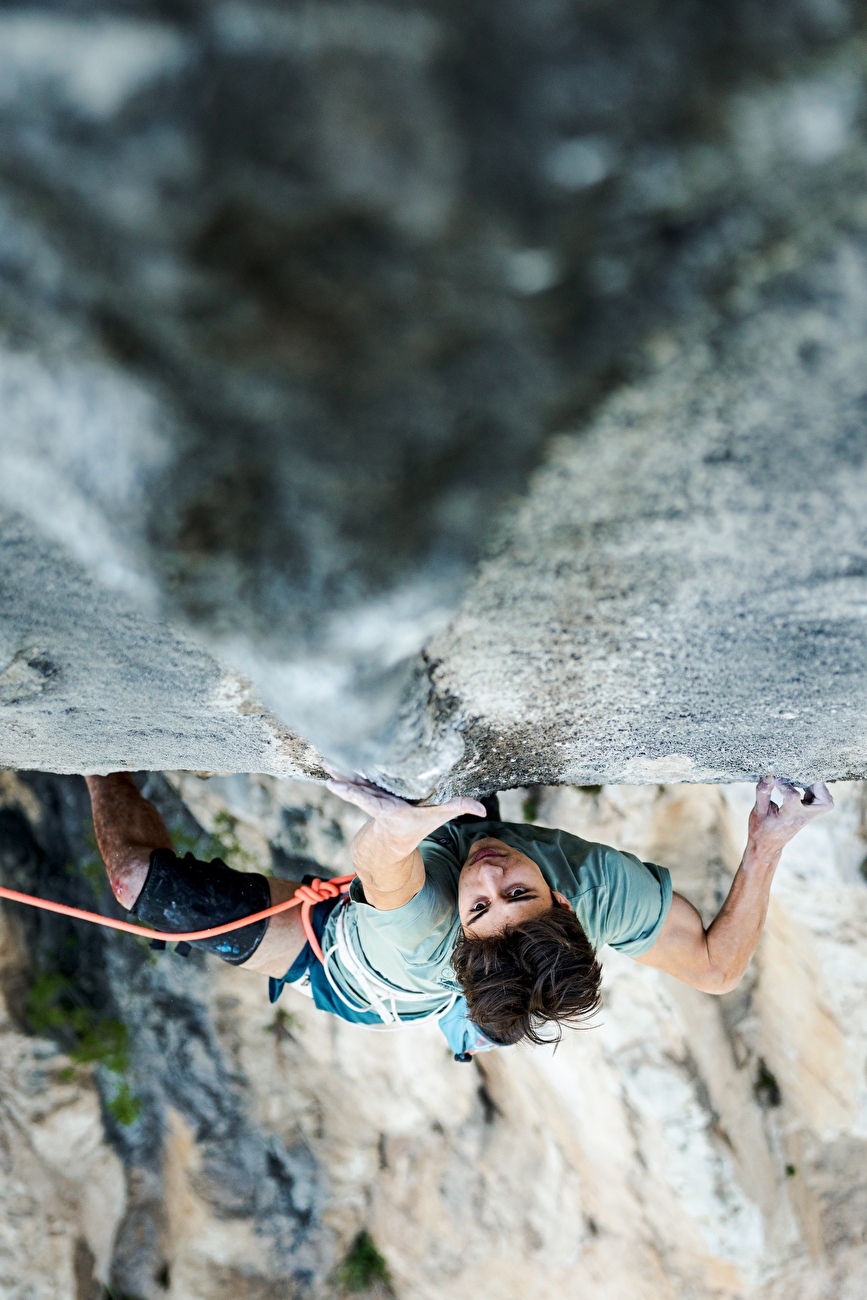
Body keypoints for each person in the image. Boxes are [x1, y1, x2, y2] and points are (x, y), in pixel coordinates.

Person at [84, 772, 833, 1057]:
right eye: (519, 893)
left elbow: (380, 868)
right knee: (459, 813)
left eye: (484, 904)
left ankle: (100, 756)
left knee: (138, 886)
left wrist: (397, 825)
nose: (494, 875)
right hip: (440, 885)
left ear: (460, 922)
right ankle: (482, 1012)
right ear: (565, 901)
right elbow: (716, 968)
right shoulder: (602, 892)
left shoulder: (422, 931)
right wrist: (766, 841)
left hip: (345, 963)